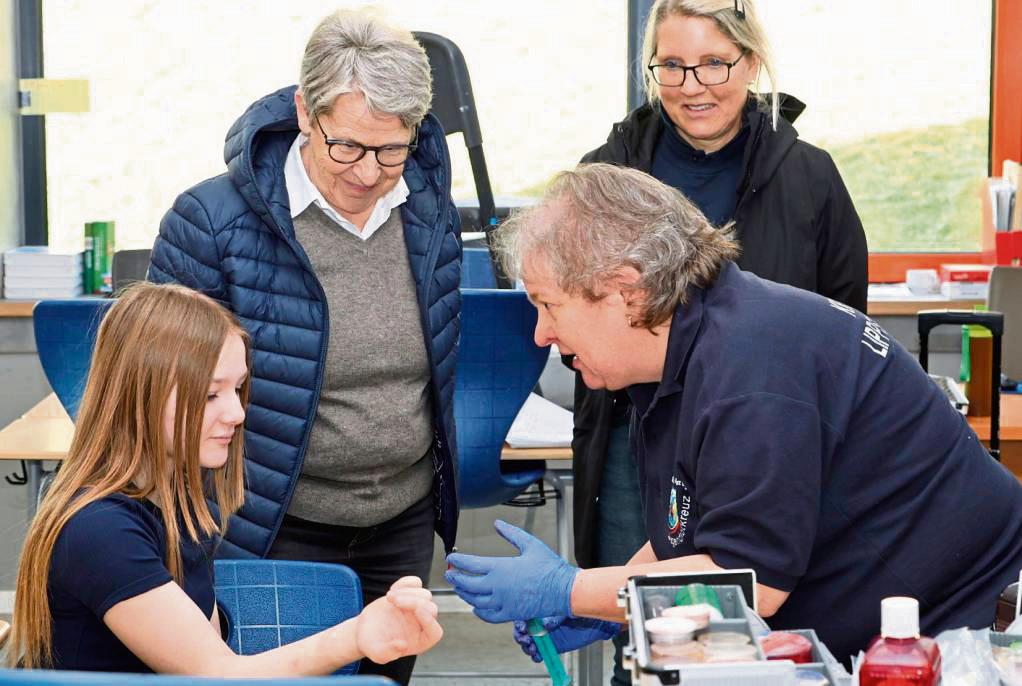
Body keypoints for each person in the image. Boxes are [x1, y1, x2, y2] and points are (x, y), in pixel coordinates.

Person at [446, 163, 1022, 664]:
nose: (542, 333)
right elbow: (694, 535)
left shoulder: (751, 373)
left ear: (628, 290)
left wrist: (570, 590)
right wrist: (614, 606)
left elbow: (745, 583)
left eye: (549, 305)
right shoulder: (694, 343)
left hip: (970, 632)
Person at [148, 11, 460, 683]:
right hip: (266, 526)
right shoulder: (212, 221)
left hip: (398, 520)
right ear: (303, 112)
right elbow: (160, 391)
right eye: (346, 146)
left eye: (391, 149)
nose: (369, 172)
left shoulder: (429, 206)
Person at [572, 2, 867, 679]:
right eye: (672, 65)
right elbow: (570, 311)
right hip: (638, 442)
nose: (693, 84)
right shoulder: (604, 178)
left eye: (714, 62)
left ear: (752, 64)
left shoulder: (811, 179)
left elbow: (845, 329)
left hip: (773, 443)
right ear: (653, 71)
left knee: (761, 628)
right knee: (648, 638)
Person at [8, 283, 443, 674]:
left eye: (238, 389)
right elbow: (218, 676)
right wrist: (357, 635)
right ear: (141, 398)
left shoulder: (176, 500)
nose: (236, 413)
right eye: (211, 394)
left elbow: (212, 652)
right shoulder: (100, 531)